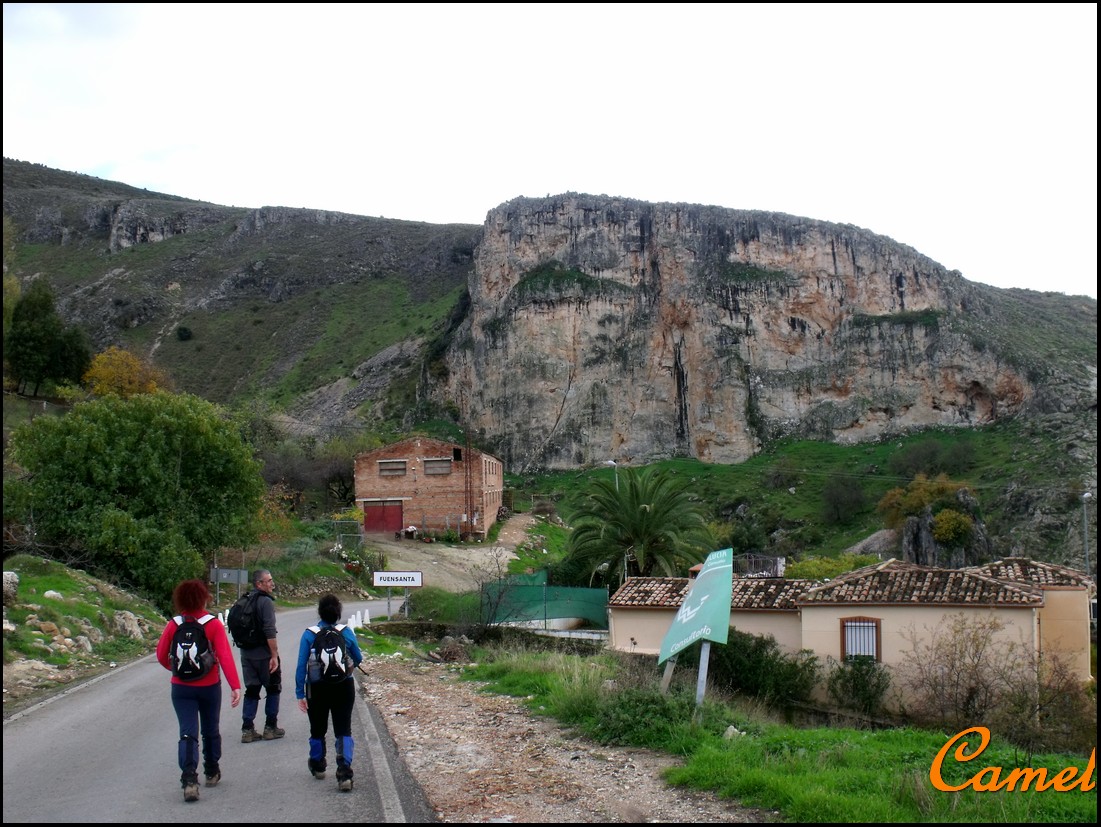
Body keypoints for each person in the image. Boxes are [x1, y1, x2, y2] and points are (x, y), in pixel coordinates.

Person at [156, 578, 242, 803]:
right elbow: (224, 656)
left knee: (187, 732)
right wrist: (235, 685)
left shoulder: (173, 624)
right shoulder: (212, 624)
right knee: (210, 729)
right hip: (209, 686)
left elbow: (161, 655)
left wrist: (177, 670)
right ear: (204, 598)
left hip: (181, 688)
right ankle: (211, 770)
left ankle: (189, 780)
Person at [295, 593, 363, 792]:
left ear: (319, 612)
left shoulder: (309, 634)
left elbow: (301, 666)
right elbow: (358, 658)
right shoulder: (346, 632)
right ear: (338, 612)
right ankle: (344, 773)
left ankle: (318, 765)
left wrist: (300, 693)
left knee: (317, 729)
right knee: (343, 729)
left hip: (317, 688)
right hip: (344, 686)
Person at [239, 568, 284, 742]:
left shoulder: (245, 599)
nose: (272, 583)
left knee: (251, 689)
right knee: (273, 688)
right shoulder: (265, 602)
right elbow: (269, 630)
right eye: (269, 580)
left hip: (246, 654)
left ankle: (247, 729)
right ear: (259, 583)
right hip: (264, 654)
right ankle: (270, 727)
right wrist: (274, 655)